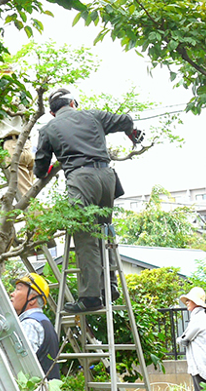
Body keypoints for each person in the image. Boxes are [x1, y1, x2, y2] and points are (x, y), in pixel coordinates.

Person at [32, 88, 142, 313]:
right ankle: (109, 285)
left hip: (81, 180)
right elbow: (126, 121)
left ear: (52, 113)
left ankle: (91, 297)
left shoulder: (48, 128)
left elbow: (40, 169)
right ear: (73, 103)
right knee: (104, 230)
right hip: (107, 179)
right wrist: (132, 132)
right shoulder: (93, 115)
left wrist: (53, 165)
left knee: (85, 236)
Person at [9, 273, 60, 381]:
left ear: (32, 299)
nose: (12, 294)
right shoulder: (43, 321)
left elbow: (23, 366)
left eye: (18, 289)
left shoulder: (29, 324)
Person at [176, 286, 206, 391]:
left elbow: (185, 338)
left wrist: (179, 340)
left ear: (196, 302)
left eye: (189, 300)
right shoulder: (198, 315)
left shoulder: (199, 317)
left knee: (202, 388)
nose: (187, 302)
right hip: (199, 360)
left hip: (200, 361)